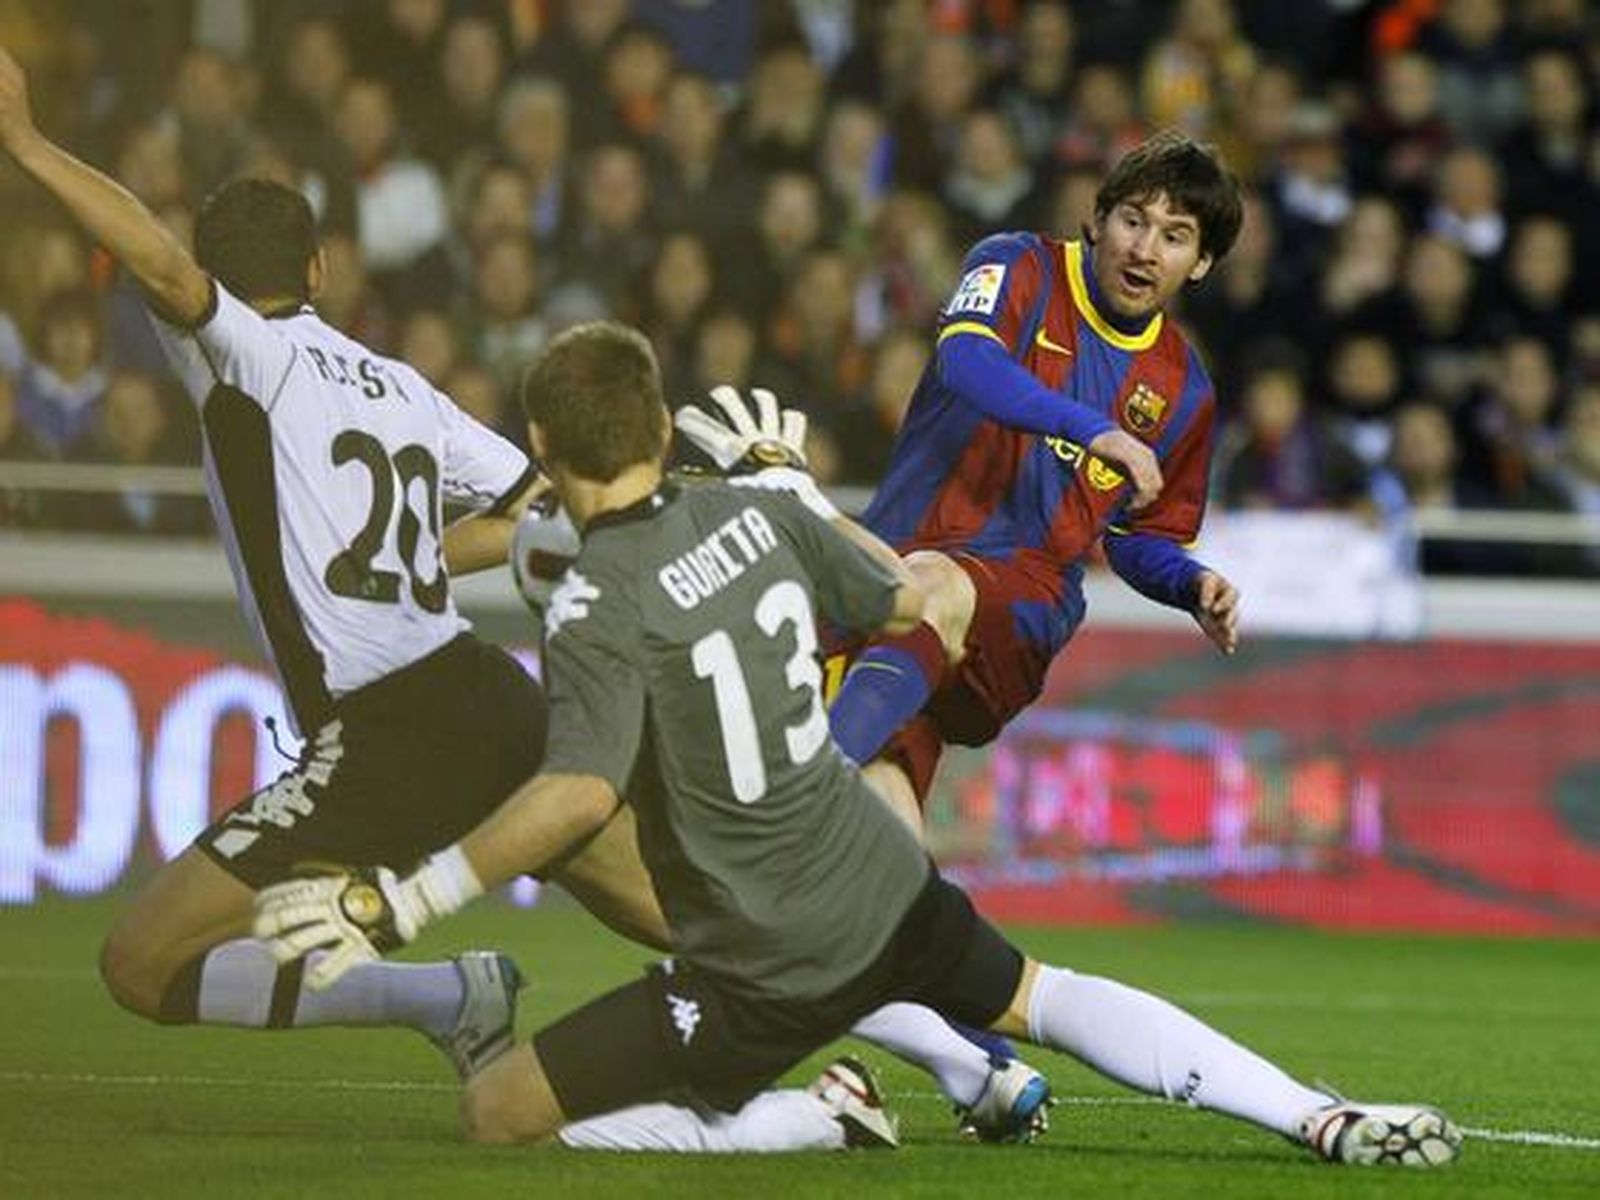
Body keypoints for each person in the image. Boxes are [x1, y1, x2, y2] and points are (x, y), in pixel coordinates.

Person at [254, 322, 1461, 1167]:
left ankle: (815, 1118)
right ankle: (1315, 1114)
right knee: (1047, 994)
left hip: (760, 943)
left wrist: (401, 902)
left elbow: (573, 793)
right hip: (880, 878)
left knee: (496, 1112)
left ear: (544, 452)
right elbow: (913, 601)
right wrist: (791, 485)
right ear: (666, 424)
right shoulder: (754, 509)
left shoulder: (590, 605)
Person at [0, 44, 662, 1076]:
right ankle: (942, 1034)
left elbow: (164, 268)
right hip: (483, 691)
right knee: (666, 910)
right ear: (317, 272)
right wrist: (419, 563)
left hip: (386, 727)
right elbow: (534, 503)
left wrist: (25, 144)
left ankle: (445, 996)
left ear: (220, 288)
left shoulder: (241, 358)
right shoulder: (399, 385)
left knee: (139, 963)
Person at [786, 130, 1246, 833]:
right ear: (1097, 220)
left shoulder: (1184, 391)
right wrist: (1092, 429)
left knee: (929, 587)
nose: (1145, 249)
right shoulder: (1017, 267)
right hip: (878, 588)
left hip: (1018, 605)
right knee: (875, 850)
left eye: (1175, 236)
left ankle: (793, 801)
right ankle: (905, 931)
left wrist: (1189, 584)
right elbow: (966, 358)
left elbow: (1135, 537)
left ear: (1202, 262)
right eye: (1133, 220)